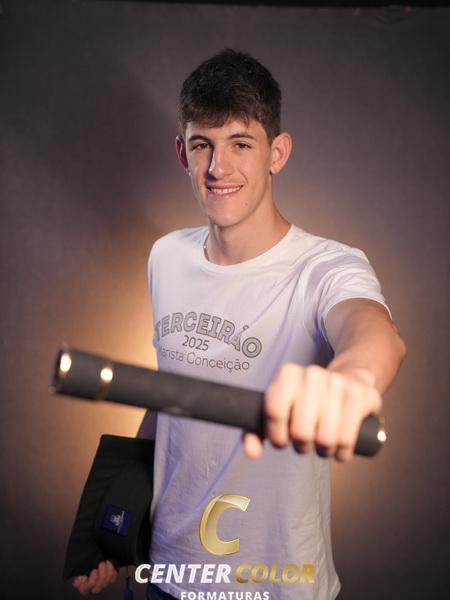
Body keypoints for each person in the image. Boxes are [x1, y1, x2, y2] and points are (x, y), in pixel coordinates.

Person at [73, 49, 406, 599]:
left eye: (241, 144)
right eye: (202, 144)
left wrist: (354, 379)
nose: (218, 168)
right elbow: (167, 397)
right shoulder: (166, 257)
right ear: (182, 153)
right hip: (165, 576)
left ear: (278, 152)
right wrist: (116, 523)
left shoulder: (326, 267)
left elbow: (372, 330)